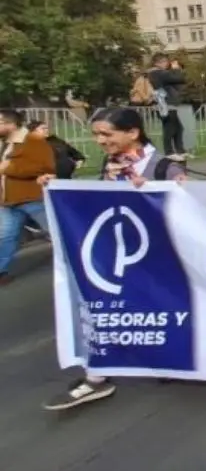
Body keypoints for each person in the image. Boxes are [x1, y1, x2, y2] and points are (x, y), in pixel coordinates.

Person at [43, 107, 187, 410]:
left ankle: (170, 358)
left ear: (132, 132)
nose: (99, 141)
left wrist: (154, 194)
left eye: (106, 134)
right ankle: (96, 375)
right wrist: (56, 188)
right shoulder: (111, 165)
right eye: (96, 135)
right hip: (119, 259)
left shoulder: (164, 169)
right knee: (105, 312)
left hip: (161, 261)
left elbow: (188, 214)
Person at [0, 109, 56, 284]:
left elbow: (46, 167)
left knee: (56, 232)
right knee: (6, 236)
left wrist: (9, 168)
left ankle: (77, 264)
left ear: (10, 123)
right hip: (7, 200)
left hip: (33, 198)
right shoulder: (4, 143)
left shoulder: (33, 141)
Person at [147, 53, 188, 161]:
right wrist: (176, 69)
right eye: (165, 62)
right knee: (169, 128)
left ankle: (180, 151)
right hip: (165, 104)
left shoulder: (159, 73)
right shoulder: (158, 73)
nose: (167, 64)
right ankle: (169, 152)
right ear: (158, 63)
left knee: (178, 127)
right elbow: (179, 78)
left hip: (167, 103)